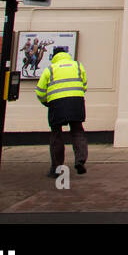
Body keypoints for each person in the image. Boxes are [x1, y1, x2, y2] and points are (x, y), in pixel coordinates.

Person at [37, 45, 88, 177]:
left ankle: (56, 168)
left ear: (54, 56)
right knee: (77, 131)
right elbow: (84, 84)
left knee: (56, 134)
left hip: (57, 104)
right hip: (76, 102)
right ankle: (80, 161)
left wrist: (45, 102)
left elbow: (40, 91)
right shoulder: (77, 66)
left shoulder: (50, 69)